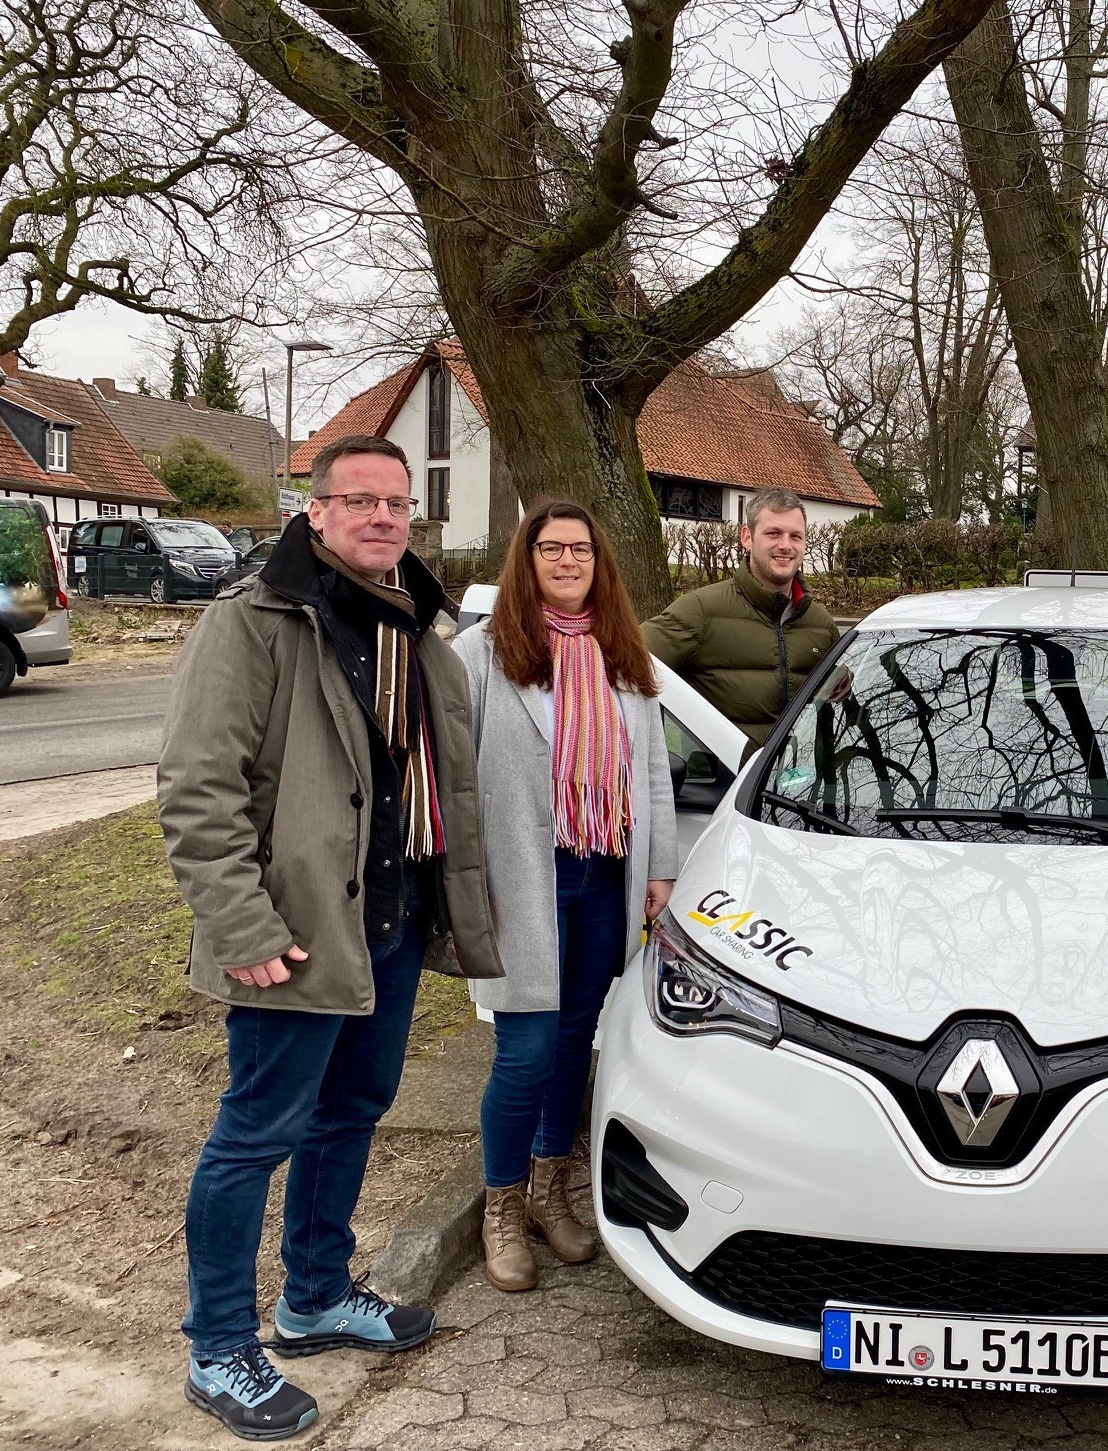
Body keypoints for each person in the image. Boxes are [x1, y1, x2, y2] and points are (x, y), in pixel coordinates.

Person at [158, 434, 503, 1442]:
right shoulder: (255, 620)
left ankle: (313, 1298)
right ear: (316, 513)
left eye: (399, 504)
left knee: (350, 1112)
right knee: (252, 1138)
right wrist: (241, 924)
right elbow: (196, 788)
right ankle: (220, 1348)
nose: (384, 519)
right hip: (292, 938)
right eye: (361, 501)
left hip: (385, 931)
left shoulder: (413, 628)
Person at [454, 500, 677, 1291]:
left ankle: (551, 1194)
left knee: (574, 1044)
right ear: (528, 558)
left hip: (602, 874)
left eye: (580, 548)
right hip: (522, 878)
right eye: (551, 548)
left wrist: (661, 868)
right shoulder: (481, 654)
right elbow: (452, 773)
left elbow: (650, 767)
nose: (567, 561)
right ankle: (502, 1207)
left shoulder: (624, 654)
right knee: (523, 1052)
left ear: (598, 562)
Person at [642, 487, 837, 749]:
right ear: (747, 537)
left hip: (796, 787)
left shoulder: (821, 625)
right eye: (773, 533)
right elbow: (626, 661)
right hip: (725, 785)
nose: (786, 545)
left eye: (796, 536)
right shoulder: (701, 610)